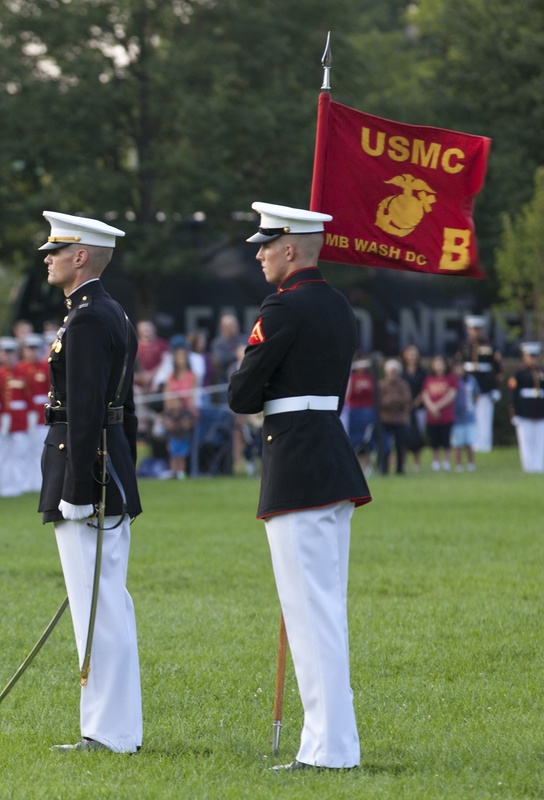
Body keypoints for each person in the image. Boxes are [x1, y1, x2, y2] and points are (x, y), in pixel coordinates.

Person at [228, 202, 371, 771]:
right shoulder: (339, 305)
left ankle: (329, 749)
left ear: (291, 249)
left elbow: (241, 395)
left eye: (266, 244)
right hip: (331, 457)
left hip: (296, 465)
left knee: (311, 613)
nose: (259, 253)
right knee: (324, 609)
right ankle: (332, 743)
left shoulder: (281, 308)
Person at [37, 210, 142, 754]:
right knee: (103, 602)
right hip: (108, 467)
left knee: (97, 606)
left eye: (56, 251)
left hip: (88, 475)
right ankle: (112, 727)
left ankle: (108, 732)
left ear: (82, 257)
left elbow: (85, 410)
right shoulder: (109, 311)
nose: (48, 258)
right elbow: (126, 408)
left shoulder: (88, 318)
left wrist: (77, 489)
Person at [456, 314, 501, 452]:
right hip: (468, 384)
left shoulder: (489, 345)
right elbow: (458, 364)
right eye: (472, 329)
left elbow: (497, 368)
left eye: (478, 329)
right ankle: (471, 443)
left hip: (485, 385)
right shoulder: (463, 345)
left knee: (484, 415)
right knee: (470, 414)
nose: (475, 331)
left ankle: (484, 444)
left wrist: (495, 388)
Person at [508, 341, 544, 473]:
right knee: (526, 441)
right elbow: (513, 395)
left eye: (535, 356)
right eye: (530, 356)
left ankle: (539, 466)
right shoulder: (519, 373)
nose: (533, 359)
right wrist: (514, 413)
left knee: (541, 441)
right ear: (525, 356)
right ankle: (529, 467)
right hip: (525, 412)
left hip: (541, 412)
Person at [420, 354, 457, 472]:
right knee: (434, 441)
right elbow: (425, 395)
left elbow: (451, 395)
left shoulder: (450, 378)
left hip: (446, 415)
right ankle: (435, 462)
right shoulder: (428, 379)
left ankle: (446, 462)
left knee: (446, 440)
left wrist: (438, 406)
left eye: (440, 363)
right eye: (436, 363)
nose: (438, 365)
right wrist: (432, 407)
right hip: (432, 417)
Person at [376, 359, 411, 475]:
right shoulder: (381, 385)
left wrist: (390, 400)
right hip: (384, 419)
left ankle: (400, 469)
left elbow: (406, 400)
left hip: (399, 419)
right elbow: (378, 402)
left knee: (400, 445)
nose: (393, 375)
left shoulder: (403, 385)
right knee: (384, 446)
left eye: (395, 372)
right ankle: (383, 468)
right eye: (391, 372)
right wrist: (393, 400)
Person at [401, 344, 427, 471]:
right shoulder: (401, 372)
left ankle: (417, 463)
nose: (412, 356)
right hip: (404, 409)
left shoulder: (422, 373)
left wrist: (417, 402)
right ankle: (403, 462)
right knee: (404, 435)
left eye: (414, 353)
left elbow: (425, 389)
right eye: (410, 353)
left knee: (418, 435)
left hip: (419, 408)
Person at [451, 359, 478, 471]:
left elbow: (476, 394)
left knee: (470, 442)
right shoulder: (452, 381)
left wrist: (472, 406)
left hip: (469, 417)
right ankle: (458, 465)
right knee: (457, 444)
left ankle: (471, 464)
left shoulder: (470, 380)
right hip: (456, 418)